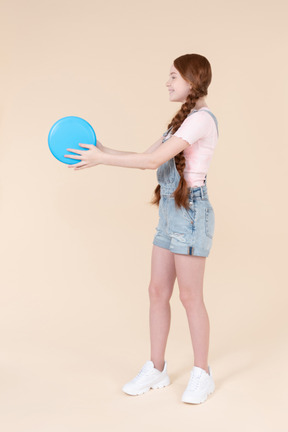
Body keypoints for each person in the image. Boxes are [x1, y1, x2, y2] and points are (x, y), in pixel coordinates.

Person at [64, 53, 219, 404]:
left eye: (173, 76)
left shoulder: (202, 120)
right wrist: (99, 150)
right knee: (156, 291)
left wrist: (102, 158)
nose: (167, 82)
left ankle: (202, 373)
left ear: (192, 81)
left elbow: (152, 161)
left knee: (190, 297)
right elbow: (143, 161)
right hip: (170, 210)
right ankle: (157, 367)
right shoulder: (182, 121)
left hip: (192, 212)